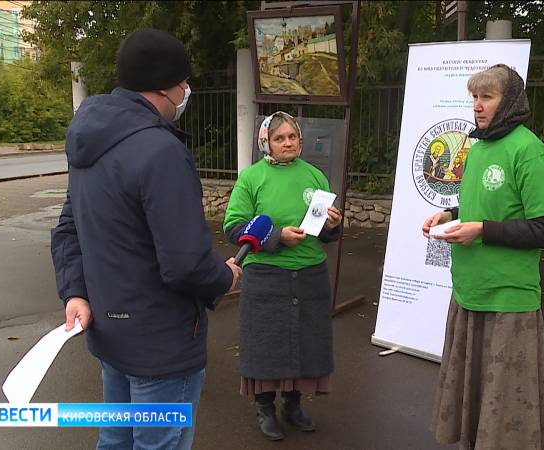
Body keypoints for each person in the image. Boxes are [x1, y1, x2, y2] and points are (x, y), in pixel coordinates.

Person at [51, 28, 241, 450]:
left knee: (115, 439)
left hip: (110, 333)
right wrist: (223, 278)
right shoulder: (161, 150)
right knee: (159, 444)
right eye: (184, 82)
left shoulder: (89, 140)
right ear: (164, 86)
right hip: (162, 343)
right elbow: (186, 263)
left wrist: (74, 292)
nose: (187, 90)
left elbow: (68, 229)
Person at [422, 64, 544, 450]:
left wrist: (482, 229)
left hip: (507, 298)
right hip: (470, 291)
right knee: (478, 406)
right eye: (475, 97)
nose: (478, 106)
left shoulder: (529, 151)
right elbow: (485, 205)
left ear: (510, 101)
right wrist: (449, 215)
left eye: (487, 97)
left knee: (507, 411)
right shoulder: (479, 147)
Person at [222, 111, 343, 441]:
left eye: (292, 137)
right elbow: (234, 227)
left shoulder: (315, 176)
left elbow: (324, 230)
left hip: (310, 275)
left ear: (300, 140)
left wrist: (332, 226)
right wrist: (277, 236)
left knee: (304, 345)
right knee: (267, 346)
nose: (287, 143)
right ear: (266, 143)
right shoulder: (251, 178)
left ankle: (293, 405)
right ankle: (265, 408)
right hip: (266, 277)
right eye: (279, 138)